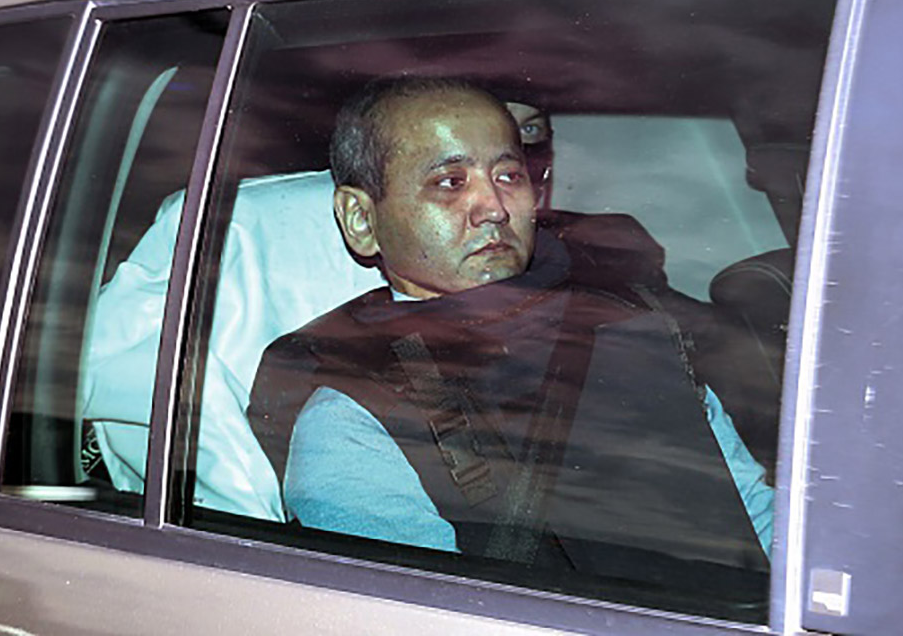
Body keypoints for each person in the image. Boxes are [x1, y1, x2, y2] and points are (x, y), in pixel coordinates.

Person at [248, 77, 775, 595]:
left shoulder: (628, 321)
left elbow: (759, 519)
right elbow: (422, 615)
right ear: (361, 219)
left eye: (508, 175)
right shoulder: (353, 409)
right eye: (450, 183)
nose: (495, 208)